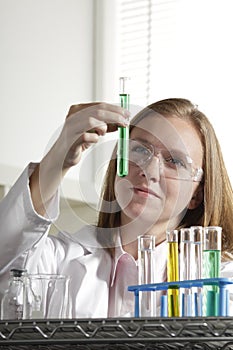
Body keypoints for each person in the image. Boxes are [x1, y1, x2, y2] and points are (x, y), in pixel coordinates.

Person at [0, 98, 233, 318]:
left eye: (175, 161)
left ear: (197, 194)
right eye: (140, 149)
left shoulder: (220, 282)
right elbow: (6, 267)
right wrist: (58, 156)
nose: (149, 171)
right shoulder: (61, 260)